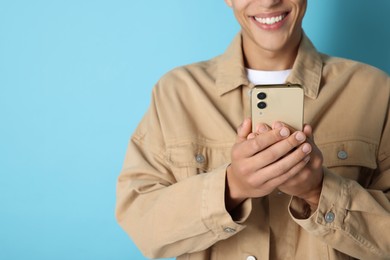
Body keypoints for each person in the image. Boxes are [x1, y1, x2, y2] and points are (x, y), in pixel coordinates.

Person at [116, 0, 390, 259]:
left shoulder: (374, 91)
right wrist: (231, 186)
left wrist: (317, 190)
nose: (269, 1)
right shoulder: (177, 93)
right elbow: (141, 221)